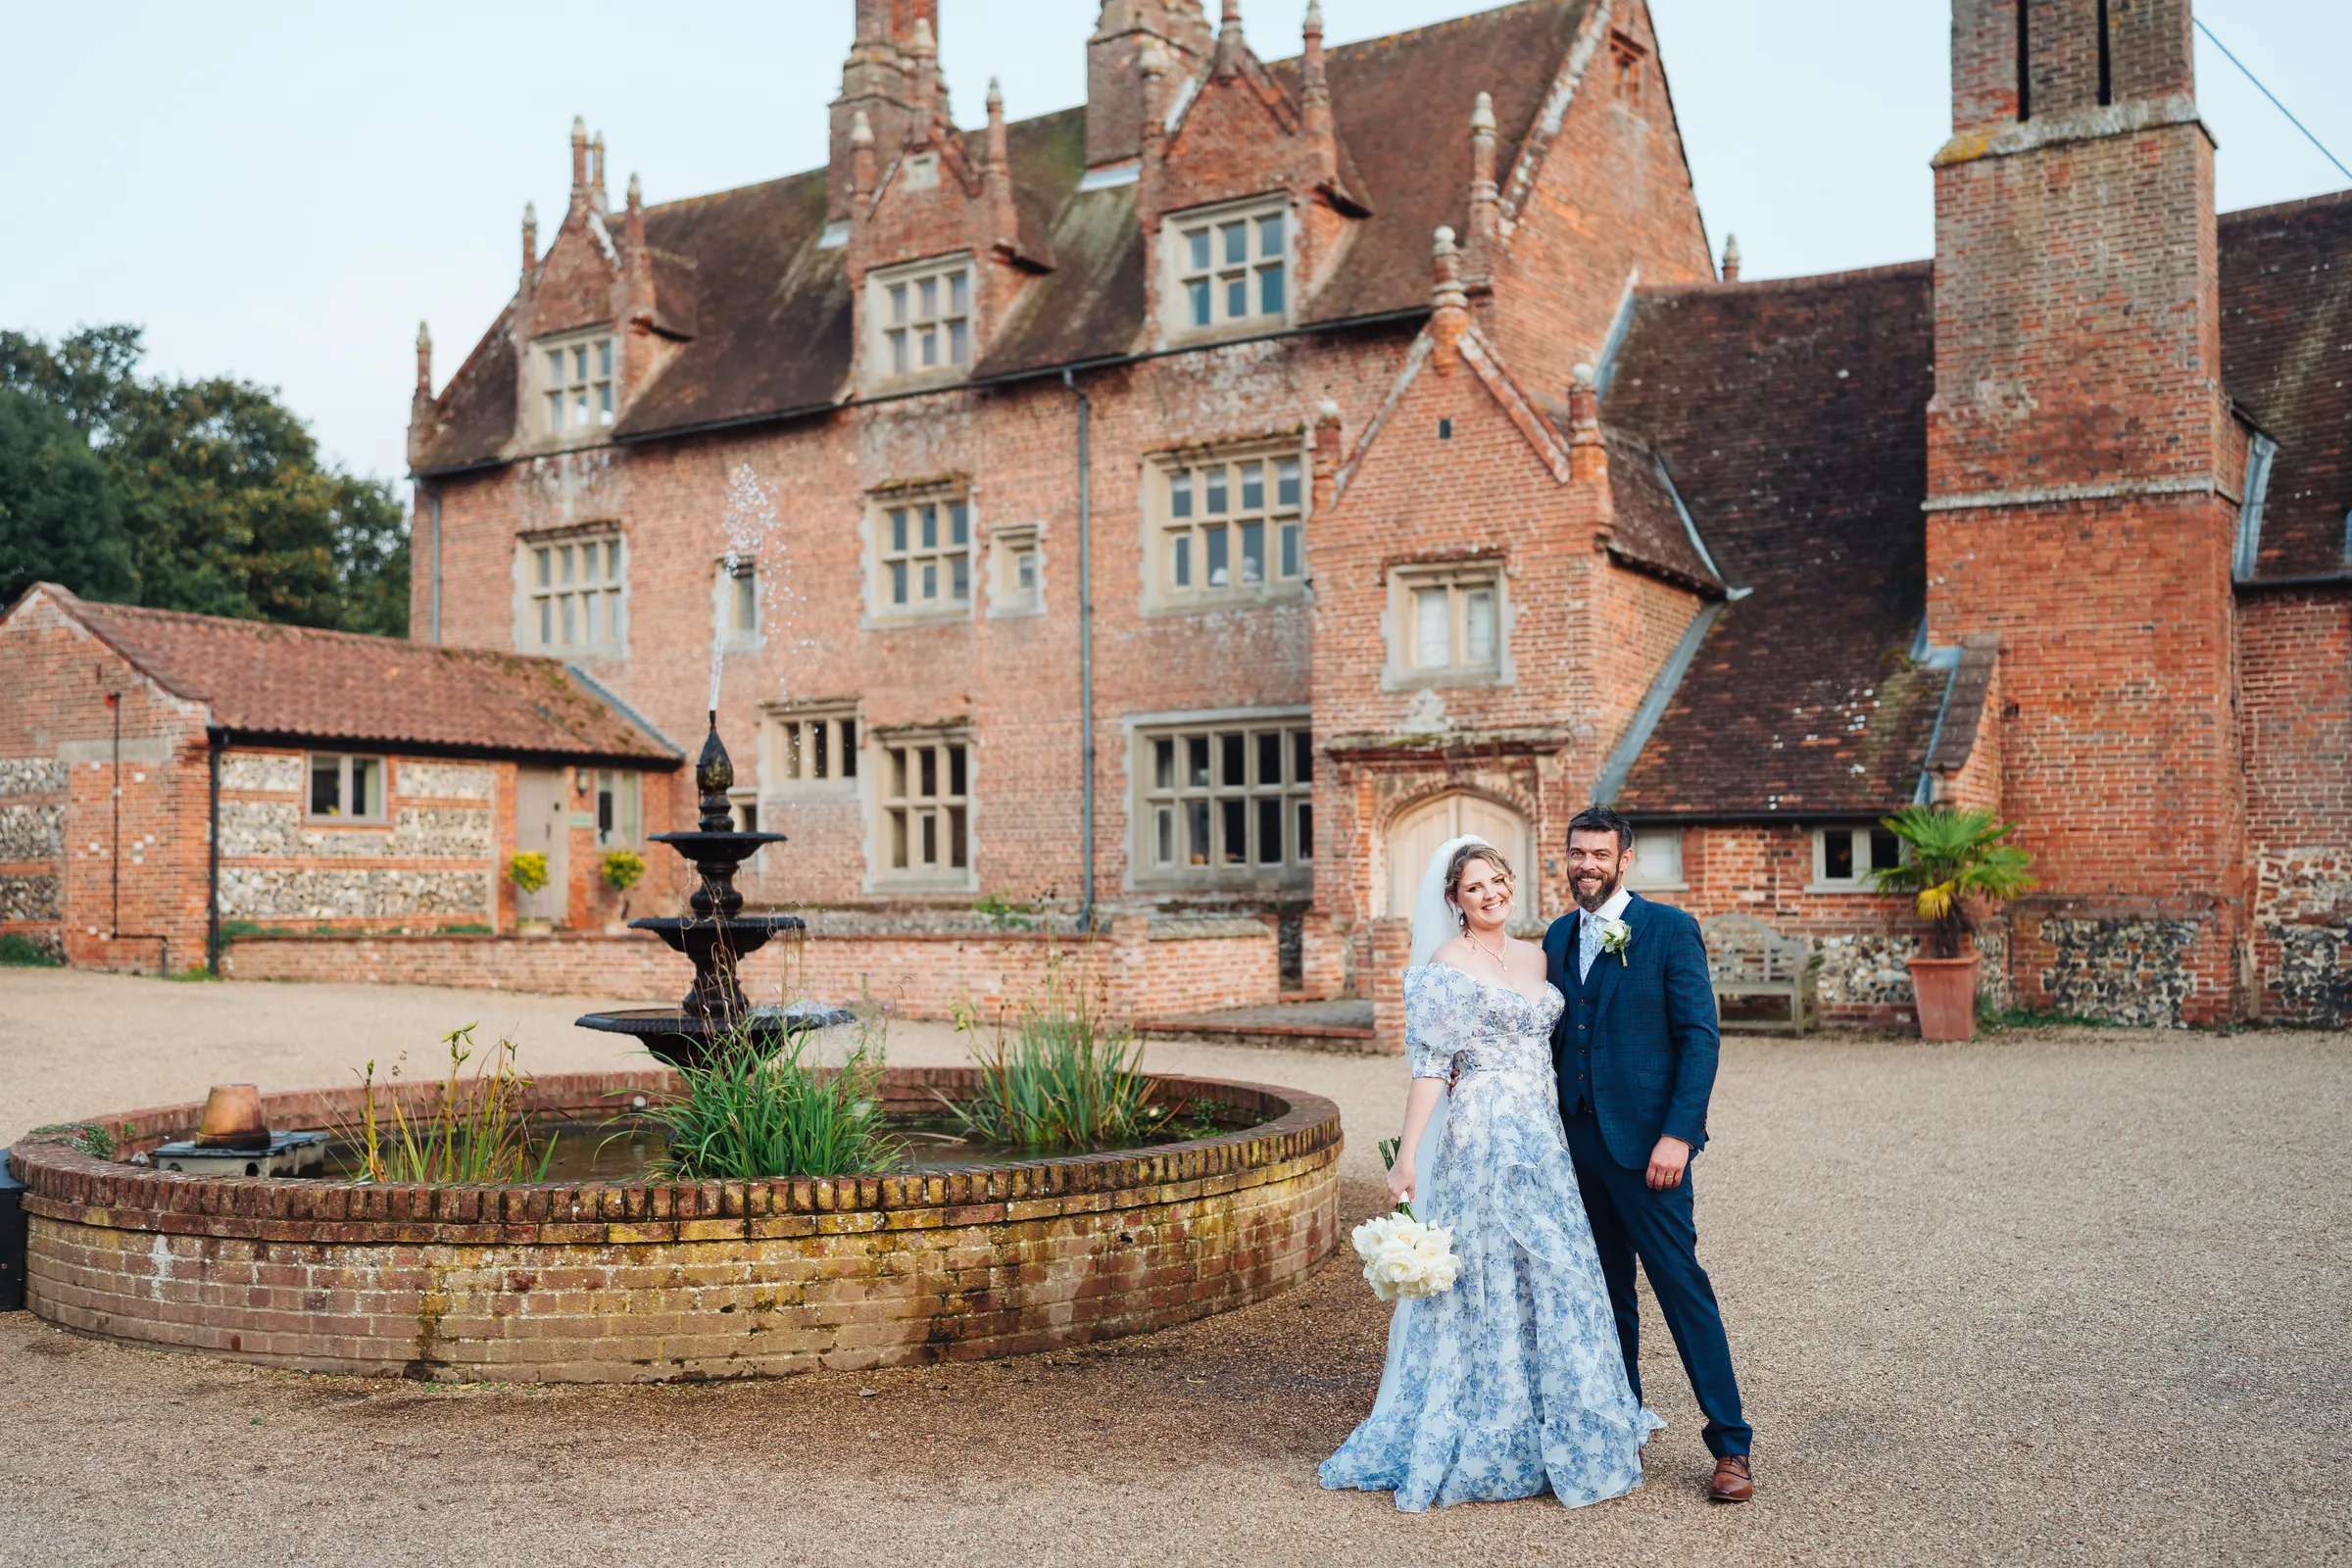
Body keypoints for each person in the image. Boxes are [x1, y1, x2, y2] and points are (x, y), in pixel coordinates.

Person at [1319, 834, 1660, 1512]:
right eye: (1474, 888)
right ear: (1456, 901)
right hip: (1481, 1133)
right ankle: (1493, 1426)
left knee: (1559, 1268)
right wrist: (1409, 1155)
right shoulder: (1449, 962)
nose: (1490, 894)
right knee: (1488, 1271)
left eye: (1497, 881)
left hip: (1545, 1135)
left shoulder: (1542, 954)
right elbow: (1431, 1066)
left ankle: (1568, 1419)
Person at [1544, 804, 1754, 1502]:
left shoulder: (1667, 930)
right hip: (1577, 1148)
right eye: (1577, 853)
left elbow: (1699, 1038)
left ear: (1624, 859)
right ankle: (1621, 1416)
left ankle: (1731, 1444)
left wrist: (1679, 1134)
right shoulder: (1554, 935)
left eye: (1599, 855)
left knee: (1681, 1289)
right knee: (1605, 1294)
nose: (1587, 865)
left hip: (1649, 1148)